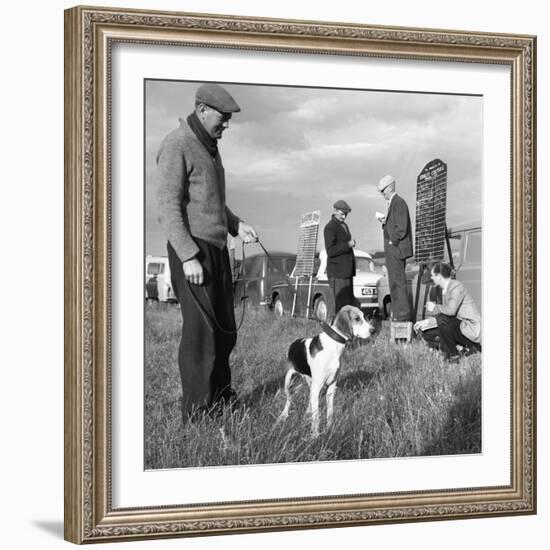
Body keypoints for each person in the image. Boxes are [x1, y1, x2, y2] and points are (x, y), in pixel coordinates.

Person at [156, 83, 258, 421]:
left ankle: (221, 398)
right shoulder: (177, 144)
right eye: (223, 117)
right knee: (202, 334)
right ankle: (198, 413)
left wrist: (235, 225)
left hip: (216, 248)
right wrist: (187, 256)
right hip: (193, 250)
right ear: (202, 110)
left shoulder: (211, 148)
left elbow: (213, 203)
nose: (226, 124)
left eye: (228, 119)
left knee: (225, 329)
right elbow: (168, 207)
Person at [414, 261, 482, 362]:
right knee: (426, 331)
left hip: (471, 332)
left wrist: (435, 307)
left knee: (442, 320)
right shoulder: (446, 290)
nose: (431, 278)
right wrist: (426, 322)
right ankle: (461, 348)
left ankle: (453, 355)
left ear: (439, 276)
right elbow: (445, 315)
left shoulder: (456, 287)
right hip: (460, 327)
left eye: (432, 275)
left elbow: (450, 311)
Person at [376, 175, 413, 322]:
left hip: (396, 250)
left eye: (383, 190)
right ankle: (398, 316)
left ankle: (403, 317)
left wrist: (392, 241)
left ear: (390, 187)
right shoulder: (394, 203)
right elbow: (397, 225)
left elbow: (402, 228)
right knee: (394, 284)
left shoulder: (399, 202)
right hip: (393, 251)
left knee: (398, 283)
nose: (382, 193)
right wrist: (385, 222)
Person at [323, 200, 356, 315]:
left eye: (346, 214)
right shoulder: (330, 227)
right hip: (337, 273)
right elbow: (330, 251)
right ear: (335, 211)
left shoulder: (344, 225)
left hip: (346, 272)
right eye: (342, 213)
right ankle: (338, 329)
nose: (344, 216)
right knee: (341, 306)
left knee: (348, 305)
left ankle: (348, 330)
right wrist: (348, 245)